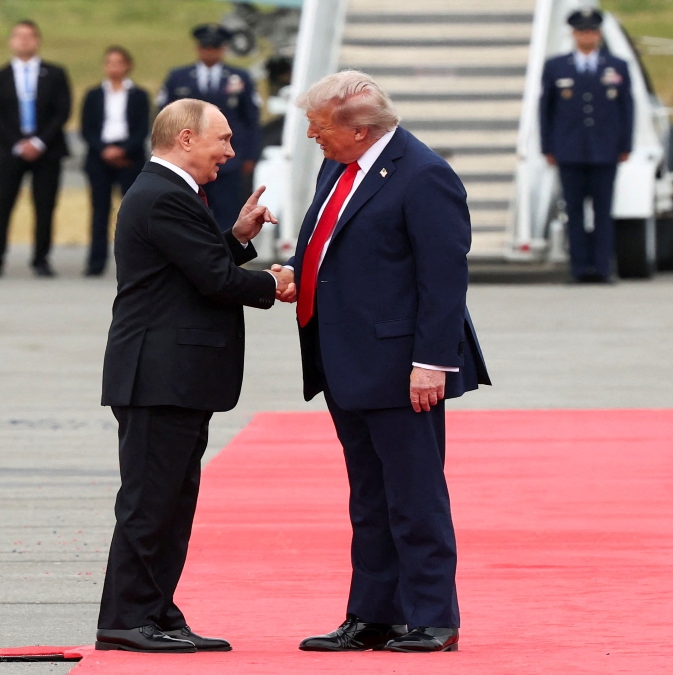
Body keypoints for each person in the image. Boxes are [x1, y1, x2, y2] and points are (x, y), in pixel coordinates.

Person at [272, 71, 490, 653]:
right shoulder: (338, 164)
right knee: (368, 497)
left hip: (402, 366)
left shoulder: (424, 176)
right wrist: (298, 270)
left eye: (319, 129)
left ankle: (432, 618)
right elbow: (324, 237)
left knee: (415, 497)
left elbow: (443, 280)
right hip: (344, 358)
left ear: (360, 128)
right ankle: (373, 615)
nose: (313, 137)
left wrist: (433, 362)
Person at [95, 99, 290, 653]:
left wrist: (237, 238)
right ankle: (127, 617)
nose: (230, 151)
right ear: (185, 139)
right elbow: (212, 278)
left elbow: (192, 267)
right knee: (150, 501)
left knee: (172, 501)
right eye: (222, 140)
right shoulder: (162, 195)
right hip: (159, 375)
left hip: (173, 375)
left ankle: (155, 610)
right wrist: (273, 284)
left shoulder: (170, 193)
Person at [539, 8, 635, 283]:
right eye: (582, 31)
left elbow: (626, 108)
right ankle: (579, 267)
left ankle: (603, 267)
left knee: (603, 212)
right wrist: (548, 147)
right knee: (574, 212)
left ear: (599, 34)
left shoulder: (616, 66)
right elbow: (546, 110)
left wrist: (625, 144)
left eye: (591, 31)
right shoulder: (557, 66)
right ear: (574, 34)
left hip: (605, 151)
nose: (587, 36)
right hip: (569, 151)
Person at [0, 19, 72, 278]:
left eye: (29, 36)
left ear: (38, 40)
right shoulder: (0, 76)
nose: (24, 41)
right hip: (11, 150)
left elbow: (62, 110)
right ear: (11, 41)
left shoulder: (54, 73)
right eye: (19, 36)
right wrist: (18, 143)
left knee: (44, 206)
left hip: (47, 150)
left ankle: (41, 259)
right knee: (3, 204)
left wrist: (39, 141)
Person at [156, 24, 261, 232]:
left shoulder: (240, 78)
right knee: (188, 216)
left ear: (222, 49)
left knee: (227, 216)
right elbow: (164, 119)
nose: (209, 51)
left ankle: (226, 260)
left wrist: (250, 155)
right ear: (198, 48)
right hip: (188, 160)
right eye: (205, 47)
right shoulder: (179, 77)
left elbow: (251, 119)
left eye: (215, 47)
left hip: (228, 159)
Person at [79, 46, 150, 277]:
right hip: (99, 157)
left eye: (119, 62)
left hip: (129, 157)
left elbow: (142, 129)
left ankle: (136, 262)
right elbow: (87, 129)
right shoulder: (93, 95)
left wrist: (123, 150)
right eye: (110, 62)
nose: (114, 67)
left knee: (131, 212)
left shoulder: (139, 95)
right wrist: (105, 150)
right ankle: (96, 262)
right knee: (99, 210)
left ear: (128, 65)